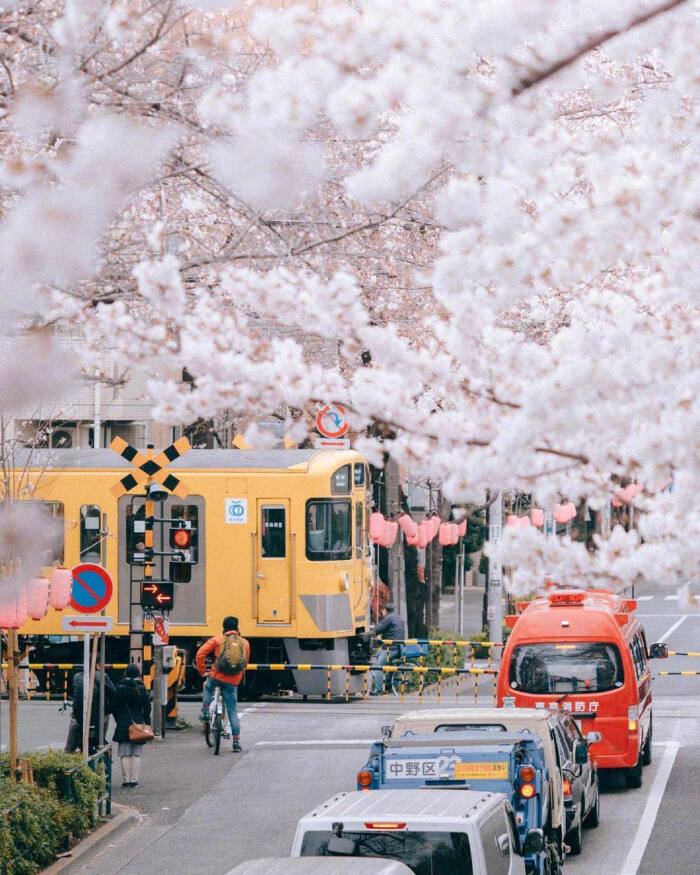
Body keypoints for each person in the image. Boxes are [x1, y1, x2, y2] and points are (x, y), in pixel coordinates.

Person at [195, 616, 250, 752]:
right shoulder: (245, 643)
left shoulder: (217, 640)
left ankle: (206, 711)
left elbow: (200, 654)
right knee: (232, 711)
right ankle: (236, 742)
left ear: (224, 627)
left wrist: (203, 672)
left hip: (216, 676)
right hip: (232, 681)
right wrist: (238, 676)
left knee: (208, 688)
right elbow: (245, 663)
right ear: (237, 628)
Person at [112, 663, 151, 788]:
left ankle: (126, 780)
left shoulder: (120, 687)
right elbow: (147, 707)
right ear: (138, 674)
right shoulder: (142, 688)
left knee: (124, 753)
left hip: (123, 722)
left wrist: (119, 720)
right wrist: (145, 721)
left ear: (126, 673)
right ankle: (134, 780)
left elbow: (115, 707)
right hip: (138, 722)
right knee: (136, 753)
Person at [65, 668, 116, 754]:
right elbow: (114, 694)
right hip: (98, 714)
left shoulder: (77, 677)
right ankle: (101, 741)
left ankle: (68, 751)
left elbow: (72, 694)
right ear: (98, 665)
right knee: (105, 719)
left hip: (78, 715)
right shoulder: (102, 676)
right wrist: (108, 709)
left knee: (73, 724)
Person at [370, 603, 405, 694]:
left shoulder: (388, 618)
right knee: (377, 655)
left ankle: (379, 690)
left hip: (390, 648)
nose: (382, 612)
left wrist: (371, 632)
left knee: (379, 667)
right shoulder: (397, 617)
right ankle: (388, 683)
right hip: (398, 647)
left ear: (385, 610)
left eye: (382, 610)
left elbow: (379, 629)